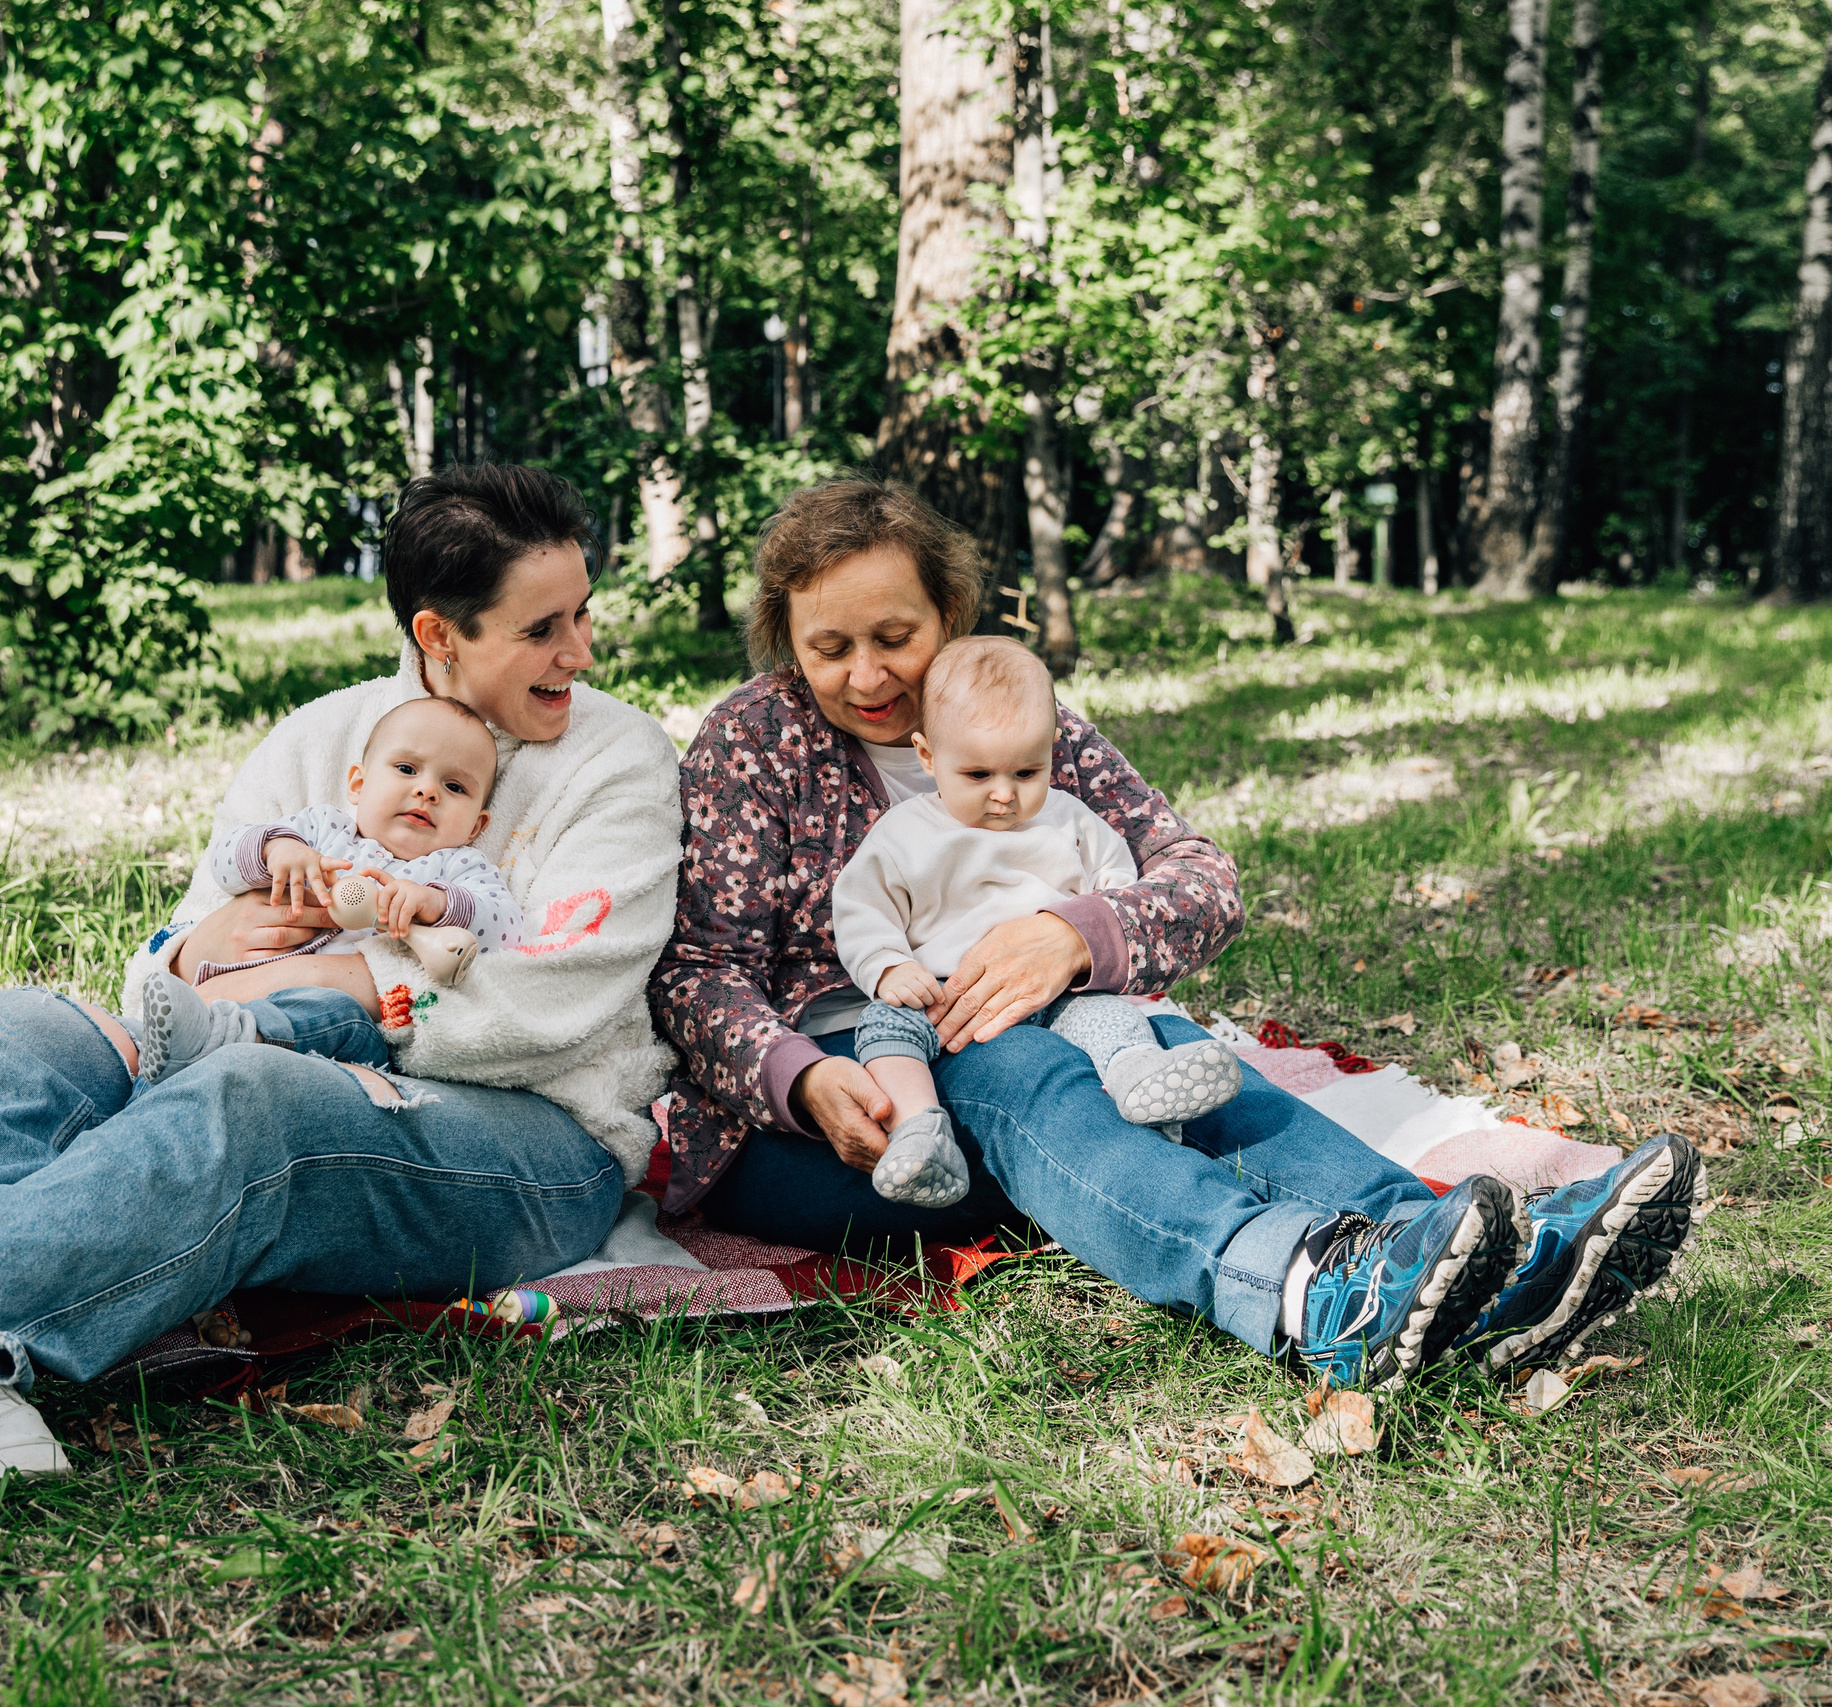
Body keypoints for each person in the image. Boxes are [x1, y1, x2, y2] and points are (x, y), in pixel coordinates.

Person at [0, 466, 685, 1523]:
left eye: (582, 616)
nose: (580, 653)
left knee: (254, 1097)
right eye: (544, 629)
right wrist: (193, 950)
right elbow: (165, 970)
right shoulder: (323, 739)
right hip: (266, 1049)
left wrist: (321, 977)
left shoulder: (619, 760)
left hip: (535, 1146)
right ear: (438, 634)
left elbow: (555, 1004)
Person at [653, 478, 1705, 1392]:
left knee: (1181, 1064)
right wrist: (797, 1077)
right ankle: (1300, 1289)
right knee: (1022, 1065)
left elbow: (1199, 875)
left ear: (953, 613)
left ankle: (1465, 1252)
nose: (869, 676)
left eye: (896, 638)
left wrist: (1078, 933)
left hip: (1048, 1022)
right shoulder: (755, 740)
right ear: (787, 644)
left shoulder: (1017, 720)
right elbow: (698, 968)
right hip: (842, 1090)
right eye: (829, 648)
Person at [831, 635, 1244, 1210]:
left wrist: (1086, 926)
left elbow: (1117, 882)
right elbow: (862, 908)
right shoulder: (904, 834)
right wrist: (888, 967)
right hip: (941, 996)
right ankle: (918, 1130)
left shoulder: (1066, 818)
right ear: (928, 756)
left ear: (1052, 750)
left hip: (1055, 988)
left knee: (1108, 1020)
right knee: (884, 1031)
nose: (1004, 795)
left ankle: (1140, 1077)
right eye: (977, 775)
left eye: (1027, 771)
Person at [135, 694, 522, 1084]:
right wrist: (276, 849)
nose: (427, 791)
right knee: (150, 1072)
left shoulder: (455, 866)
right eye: (407, 768)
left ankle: (226, 1036)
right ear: (358, 783)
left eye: (454, 786)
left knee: (326, 1010)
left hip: (342, 1026)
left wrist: (437, 902)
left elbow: (506, 928)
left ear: (476, 826)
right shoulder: (322, 830)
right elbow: (223, 862)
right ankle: (166, 1055)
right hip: (236, 985)